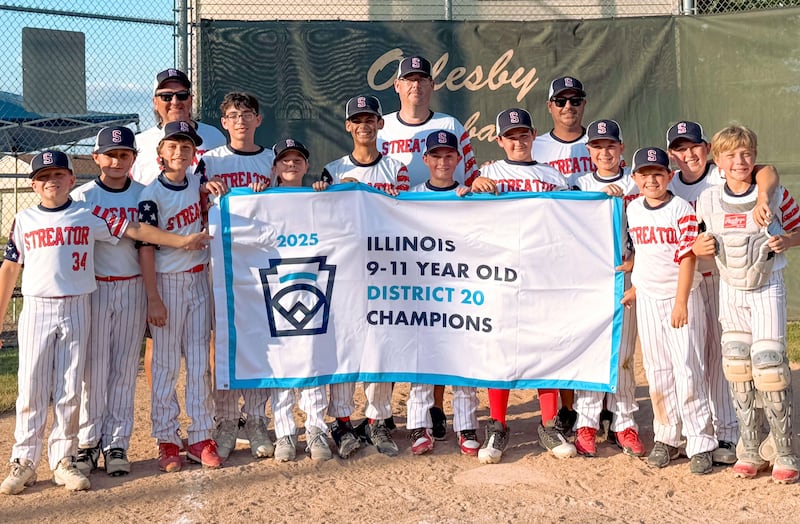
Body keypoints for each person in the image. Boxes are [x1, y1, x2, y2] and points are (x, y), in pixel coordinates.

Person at [0, 149, 210, 495]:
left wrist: (182, 241)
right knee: (32, 386)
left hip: (80, 303)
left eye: (58, 175)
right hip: (37, 307)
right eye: (43, 177)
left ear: (71, 179)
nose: (51, 182)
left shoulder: (87, 213)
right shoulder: (25, 220)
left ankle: (64, 459)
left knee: (70, 387)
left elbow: (136, 230)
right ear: (34, 185)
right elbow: (9, 268)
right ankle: (23, 460)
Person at [666, 120, 779, 466]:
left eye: (695, 146)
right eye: (681, 148)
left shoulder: (722, 175)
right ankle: (697, 431)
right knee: (695, 357)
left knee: (728, 357)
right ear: (672, 155)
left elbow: (766, 170)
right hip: (692, 276)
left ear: (707, 150)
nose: (689, 154)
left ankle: (732, 433)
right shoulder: (670, 184)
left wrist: (763, 195)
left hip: (728, 276)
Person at [694, 124, 800, 484]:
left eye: (746, 154)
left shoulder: (773, 193)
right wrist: (700, 248)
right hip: (731, 290)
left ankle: (784, 450)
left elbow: (799, 229)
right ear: (717, 162)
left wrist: (787, 239)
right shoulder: (707, 198)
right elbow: (697, 239)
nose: (740, 161)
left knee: (769, 366)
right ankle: (750, 446)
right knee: (737, 366)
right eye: (731, 155)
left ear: (754, 157)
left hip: (766, 286)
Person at [470, 108, 575, 463]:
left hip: (543, 275)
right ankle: (497, 427)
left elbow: (575, 217)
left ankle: (549, 424)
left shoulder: (552, 176)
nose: (518, 141)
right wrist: (474, 186)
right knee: (500, 350)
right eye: (510, 136)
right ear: (499, 141)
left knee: (544, 346)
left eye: (524, 134)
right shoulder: (490, 172)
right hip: (500, 275)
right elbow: (468, 212)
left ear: (533, 136)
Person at [137, 121, 225, 472]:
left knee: (201, 363)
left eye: (186, 147)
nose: (179, 152)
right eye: (173, 146)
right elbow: (144, 248)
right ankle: (168, 439)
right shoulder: (150, 194)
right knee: (166, 366)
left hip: (197, 281)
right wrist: (153, 297)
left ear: (194, 154)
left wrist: (211, 188)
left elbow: (212, 201)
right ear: (160, 154)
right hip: (167, 280)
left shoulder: (199, 185)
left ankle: (202, 435)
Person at [321, 95, 405, 458]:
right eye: (357, 120)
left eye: (371, 118)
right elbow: (324, 222)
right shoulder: (333, 169)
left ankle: (377, 420)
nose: (365, 125)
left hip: (385, 268)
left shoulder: (397, 168)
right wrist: (331, 192)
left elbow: (402, 213)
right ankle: (341, 421)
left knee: (380, 343)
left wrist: (364, 192)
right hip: (345, 270)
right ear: (348, 127)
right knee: (344, 345)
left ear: (380, 124)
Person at [623, 146, 716, 475]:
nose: (651, 179)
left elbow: (687, 257)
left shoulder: (680, 209)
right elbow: (644, 253)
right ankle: (667, 436)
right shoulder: (633, 209)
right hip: (648, 298)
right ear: (634, 178)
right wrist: (636, 284)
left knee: (688, 368)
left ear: (670, 176)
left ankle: (701, 440)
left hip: (682, 297)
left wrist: (680, 302)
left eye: (658, 173)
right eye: (644, 174)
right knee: (657, 369)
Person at [196, 91, 275, 461]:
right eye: (232, 115)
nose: (240, 120)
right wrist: (202, 189)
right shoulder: (209, 161)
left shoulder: (272, 159)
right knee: (224, 340)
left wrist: (271, 192)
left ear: (259, 120)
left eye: (247, 114)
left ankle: (257, 418)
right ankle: (226, 419)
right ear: (223, 123)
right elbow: (188, 201)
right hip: (221, 261)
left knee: (260, 338)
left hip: (261, 261)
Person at [69, 127, 148, 478]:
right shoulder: (82, 197)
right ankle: (88, 443)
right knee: (94, 370)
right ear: (96, 157)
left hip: (132, 287)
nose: (117, 160)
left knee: (124, 369)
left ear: (133, 158)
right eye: (110, 154)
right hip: (96, 288)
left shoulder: (145, 195)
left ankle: (117, 443)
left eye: (124, 154)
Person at [568, 119, 643, 458]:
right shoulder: (578, 184)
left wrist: (637, 262)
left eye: (611, 145)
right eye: (598, 147)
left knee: (624, 355)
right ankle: (586, 422)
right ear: (589, 151)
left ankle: (624, 422)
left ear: (621, 148)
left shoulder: (635, 184)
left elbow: (648, 228)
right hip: (589, 278)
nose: (605, 152)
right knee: (591, 350)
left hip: (626, 274)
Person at [403, 130, 478, 456]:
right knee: (422, 358)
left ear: (458, 160)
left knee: (464, 358)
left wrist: (478, 195)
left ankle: (466, 426)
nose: (443, 161)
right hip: (423, 290)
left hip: (460, 288)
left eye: (449, 156)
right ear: (426, 160)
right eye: (437, 156)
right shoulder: (410, 196)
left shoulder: (468, 196)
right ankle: (420, 426)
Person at [532, 75, 593, 439]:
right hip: (549, 253)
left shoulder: (599, 141)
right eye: (561, 101)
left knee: (589, 330)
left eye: (575, 100)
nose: (568, 106)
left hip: (591, 252)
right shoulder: (534, 146)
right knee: (556, 330)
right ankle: (565, 409)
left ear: (584, 104)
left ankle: (595, 409)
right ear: (550, 106)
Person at [268, 139, 334, 463]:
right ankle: (284, 432)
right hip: (275, 285)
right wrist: (252, 197)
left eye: (297, 160)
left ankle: (317, 428)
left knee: (312, 355)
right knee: (280, 359)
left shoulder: (317, 199)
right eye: (285, 160)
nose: (291, 165)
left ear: (307, 166)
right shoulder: (262, 201)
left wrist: (330, 195)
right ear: (275, 167)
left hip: (312, 283)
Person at [377, 55, 478, 189]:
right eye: (409, 79)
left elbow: (473, 178)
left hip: (447, 207)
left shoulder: (451, 125)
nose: (416, 85)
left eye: (422, 79)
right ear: (397, 85)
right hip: (394, 207)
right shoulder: (381, 128)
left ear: (432, 85)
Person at [130, 67, 226, 186]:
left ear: (190, 100)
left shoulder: (214, 136)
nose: (175, 102)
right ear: (155, 102)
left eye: (182, 95)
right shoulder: (140, 143)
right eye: (166, 96)